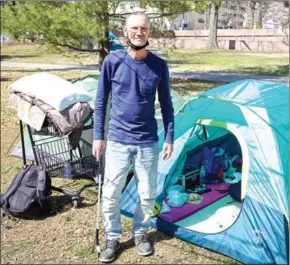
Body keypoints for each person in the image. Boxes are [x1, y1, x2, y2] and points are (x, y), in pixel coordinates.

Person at [93, 11, 174, 263]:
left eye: (144, 28)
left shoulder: (159, 65)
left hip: (148, 141)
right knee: (111, 193)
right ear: (126, 31)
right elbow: (100, 102)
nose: (139, 32)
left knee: (147, 194)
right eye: (134, 28)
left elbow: (167, 104)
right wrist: (98, 136)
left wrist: (170, 136)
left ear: (150, 31)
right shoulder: (112, 61)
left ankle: (140, 232)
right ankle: (113, 237)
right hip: (117, 140)